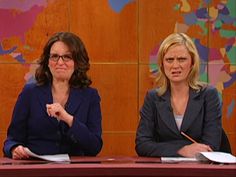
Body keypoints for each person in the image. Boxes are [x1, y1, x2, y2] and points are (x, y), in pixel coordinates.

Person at [3, 32, 103, 159]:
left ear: (77, 62)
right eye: (55, 56)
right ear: (48, 62)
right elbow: (11, 140)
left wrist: (68, 119)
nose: (60, 62)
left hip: (74, 170)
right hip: (36, 168)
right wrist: (14, 148)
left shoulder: (90, 96)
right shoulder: (30, 93)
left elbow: (94, 146)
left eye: (67, 57)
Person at [135, 33, 223, 157]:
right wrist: (182, 150)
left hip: (200, 169)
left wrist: (163, 147)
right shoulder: (153, 98)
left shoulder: (209, 95)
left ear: (192, 63)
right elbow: (142, 144)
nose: (175, 66)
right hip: (164, 171)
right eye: (169, 60)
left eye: (182, 59)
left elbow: (211, 145)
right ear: (162, 64)